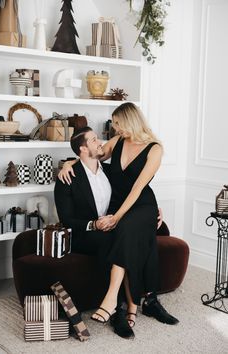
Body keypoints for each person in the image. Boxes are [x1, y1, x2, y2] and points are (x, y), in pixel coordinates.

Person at [58, 103, 179, 338]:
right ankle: (143, 302)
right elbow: (90, 157)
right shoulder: (117, 142)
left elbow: (137, 189)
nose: (114, 128)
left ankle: (113, 299)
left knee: (126, 228)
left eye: (117, 123)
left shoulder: (155, 149)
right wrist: (68, 163)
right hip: (119, 205)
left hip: (141, 204)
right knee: (133, 236)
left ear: (130, 120)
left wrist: (117, 217)